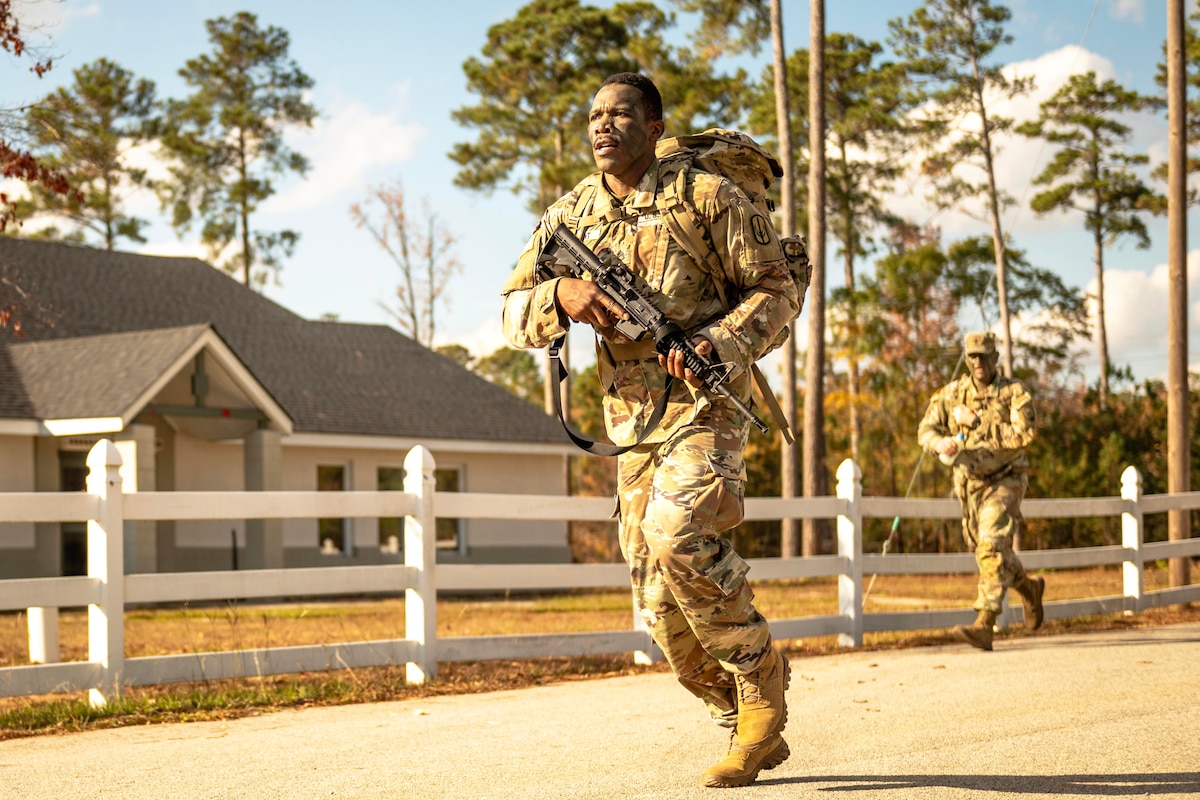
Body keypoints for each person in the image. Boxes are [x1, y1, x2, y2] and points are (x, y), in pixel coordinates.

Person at [501, 72, 800, 788]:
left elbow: (777, 290)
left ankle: (761, 681)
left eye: (622, 114)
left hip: (707, 404)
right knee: (656, 608)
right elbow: (510, 311)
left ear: (655, 127)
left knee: (678, 535)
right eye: (596, 115)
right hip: (632, 423)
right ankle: (738, 720)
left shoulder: (706, 197)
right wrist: (559, 296)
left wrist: (716, 346)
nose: (604, 125)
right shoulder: (570, 212)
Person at [917, 331, 1045, 651]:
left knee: (990, 545)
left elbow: (1024, 433)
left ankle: (984, 624)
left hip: (1006, 480)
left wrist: (979, 422)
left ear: (995, 357)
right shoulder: (952, 394)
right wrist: (939, 443)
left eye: (984, 355)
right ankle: (1029, 589)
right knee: (989, 551)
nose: (978, 362)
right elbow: (925, 429)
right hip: (969, 486)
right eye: (972, 356)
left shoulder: (1014, 393)